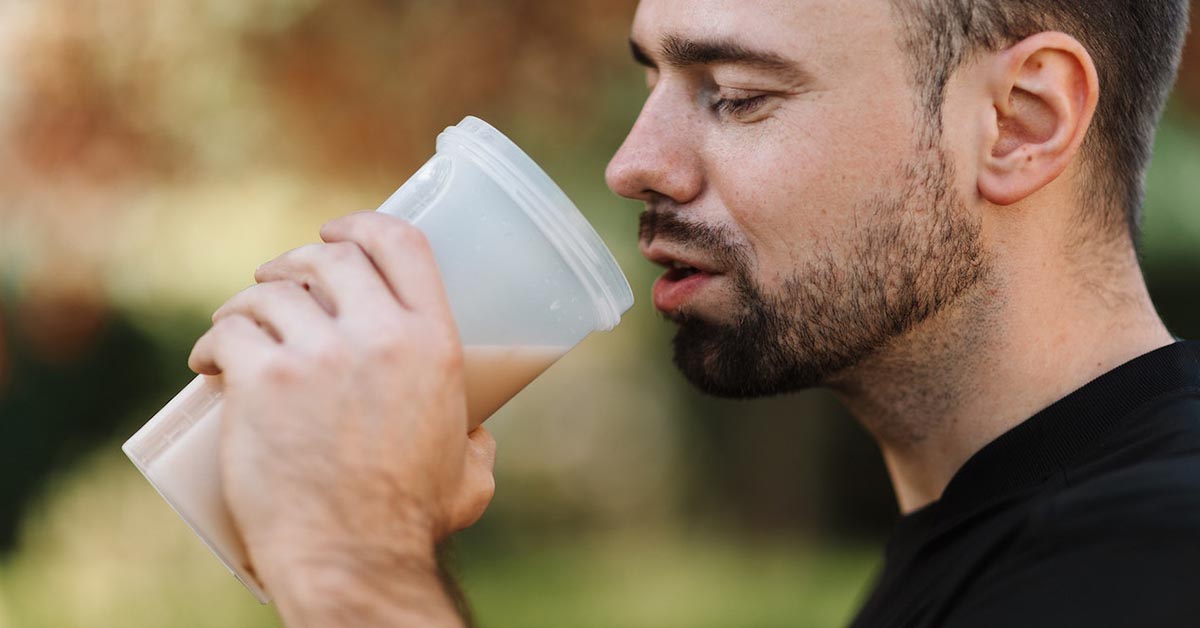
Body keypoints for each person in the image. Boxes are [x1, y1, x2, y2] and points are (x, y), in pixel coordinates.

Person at [186, 0, 1200, 625]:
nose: (635, 163)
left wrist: (354, 560)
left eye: (737, 94)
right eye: (655, 77)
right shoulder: (990, 541)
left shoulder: (1153, 557)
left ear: (1023, 122)